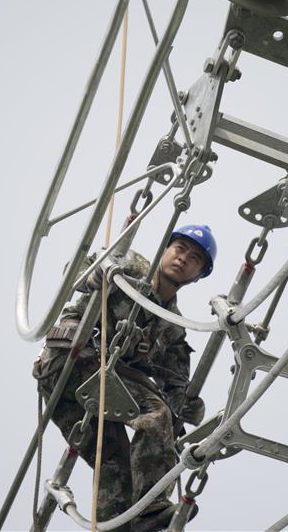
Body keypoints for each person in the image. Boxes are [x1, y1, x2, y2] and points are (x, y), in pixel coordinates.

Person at [32, 225, 217, 531]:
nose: (184, 258)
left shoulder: (171, 328)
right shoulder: (130, 265)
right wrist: (95, 274)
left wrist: (191, 406)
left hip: (87, 389)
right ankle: (151, 506)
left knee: (115, 462)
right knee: (154, 414)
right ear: (166, 249)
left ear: (198, 275)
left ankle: (120, 526)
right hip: (70, 362)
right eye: (180, 248)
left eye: (195, 258)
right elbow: (74, 270)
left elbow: (177, 385)